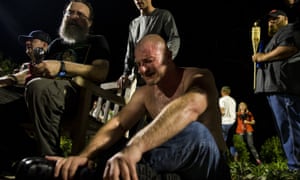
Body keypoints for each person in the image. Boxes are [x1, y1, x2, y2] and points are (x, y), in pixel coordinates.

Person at [39, 34, 231, 180]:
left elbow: (191, 106)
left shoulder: (198, 77)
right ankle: (89, 170)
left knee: (195, 131)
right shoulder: (145, 93)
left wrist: (136, 147)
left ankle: (104, 173)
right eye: (138, 64)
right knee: (115, 142)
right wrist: (83, 155)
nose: (142, 70)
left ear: (169, 56)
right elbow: (118, 124)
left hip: (209, 168)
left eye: (148, 61)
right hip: (168, 169)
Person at [24, 0, 111, 156]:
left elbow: (100, 72)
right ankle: (20, 153)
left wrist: (62, 67)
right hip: (40, 93)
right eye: (70, 12)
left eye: (80, 14)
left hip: (74, 97)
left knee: (39, 87)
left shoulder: (97, 41)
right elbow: (40, 68)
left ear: (89, 23)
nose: (74, 17)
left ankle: (50, 159)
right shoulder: (56, 44)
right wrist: (10, 78)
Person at [252, 9, 300, 173]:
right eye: (269, 20)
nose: (271, 22)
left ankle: (296, 167)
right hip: (274, 89)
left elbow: (290, 49)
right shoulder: (272, 39)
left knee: (290, 128)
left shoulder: (290, 30)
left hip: (284, 88)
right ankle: (293, 164)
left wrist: (263, 57)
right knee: (285, 129)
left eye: (275, 18)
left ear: (285, 19)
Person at [0, 30, 51, 176]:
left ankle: (28, 151)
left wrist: (10, 79)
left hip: (37, 104)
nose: (28, 42)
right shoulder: (25, 65)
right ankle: (13, 158)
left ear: (45, 46)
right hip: (16, 103)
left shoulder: (48, 63)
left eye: (33, 40)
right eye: (26, 41)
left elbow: (22, 77)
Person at [117, 0, 180, 88]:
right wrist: (125, 73)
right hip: (138, 79)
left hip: (158, 77)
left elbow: (174, 38)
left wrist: (164, 59)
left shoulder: (163, 15)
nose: (138, 0)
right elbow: (130, 51)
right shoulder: (133, 24)